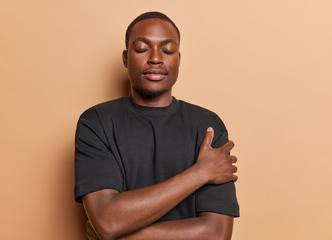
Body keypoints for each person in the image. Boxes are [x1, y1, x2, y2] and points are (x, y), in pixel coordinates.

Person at [74, 11, 239, 240]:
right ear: (125, 57)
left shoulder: (208, 126)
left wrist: (119, 234)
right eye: (142, 48)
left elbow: (216, 234)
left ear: (178, 59)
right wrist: (200, 173)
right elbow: (107, 220)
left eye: (167, 50)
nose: (155, 58)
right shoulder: (96, 122)